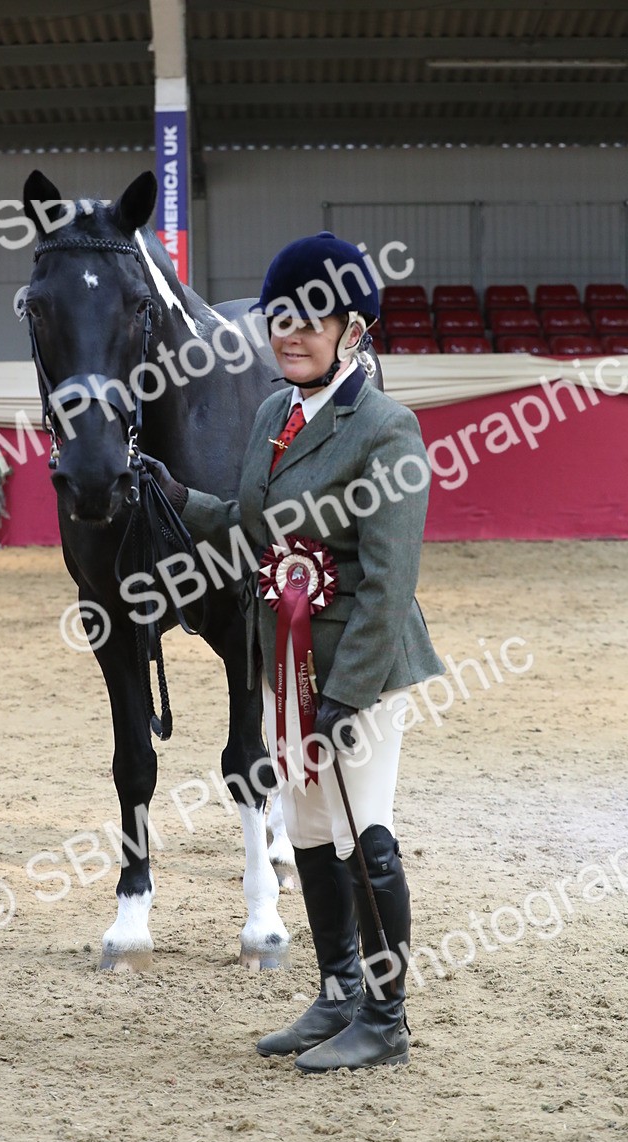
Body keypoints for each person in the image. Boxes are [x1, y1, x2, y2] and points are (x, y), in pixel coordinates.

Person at [145, 232, 444, 1073]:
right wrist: (175, 494)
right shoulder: (276, 413)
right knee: (310, 830)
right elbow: (249, 531)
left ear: (353, 330)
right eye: (280, 316)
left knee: (365, 835)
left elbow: (389, 581)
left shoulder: (387, 428)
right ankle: (337, 992)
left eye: (311, 319)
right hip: (285, 659)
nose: (289, 332)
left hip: (359, 667)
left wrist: (345, 695)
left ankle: (386, 1018)